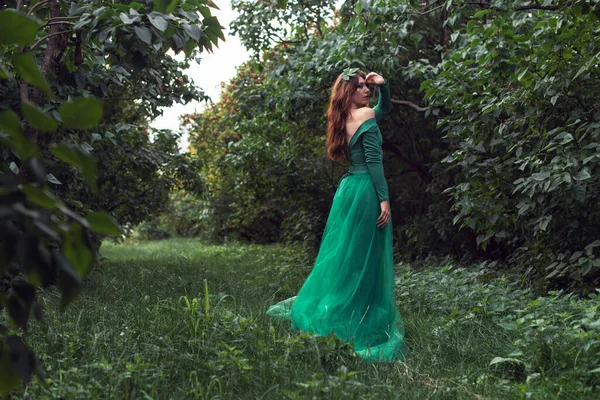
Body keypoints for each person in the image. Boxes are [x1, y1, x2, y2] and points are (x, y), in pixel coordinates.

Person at [266, 69, 407, 362]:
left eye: (367, 86)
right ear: (348, 93)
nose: (366, 90)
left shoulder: (342, 119)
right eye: (360, 87)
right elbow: (375, 162)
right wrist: (384, 200)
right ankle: (355, 312)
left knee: (349, 254)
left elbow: (384, 108)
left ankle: (344, 305)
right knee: (364, 257)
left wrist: (384, 87)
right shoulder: (365, 116)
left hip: (348, 191)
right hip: (367, 191)